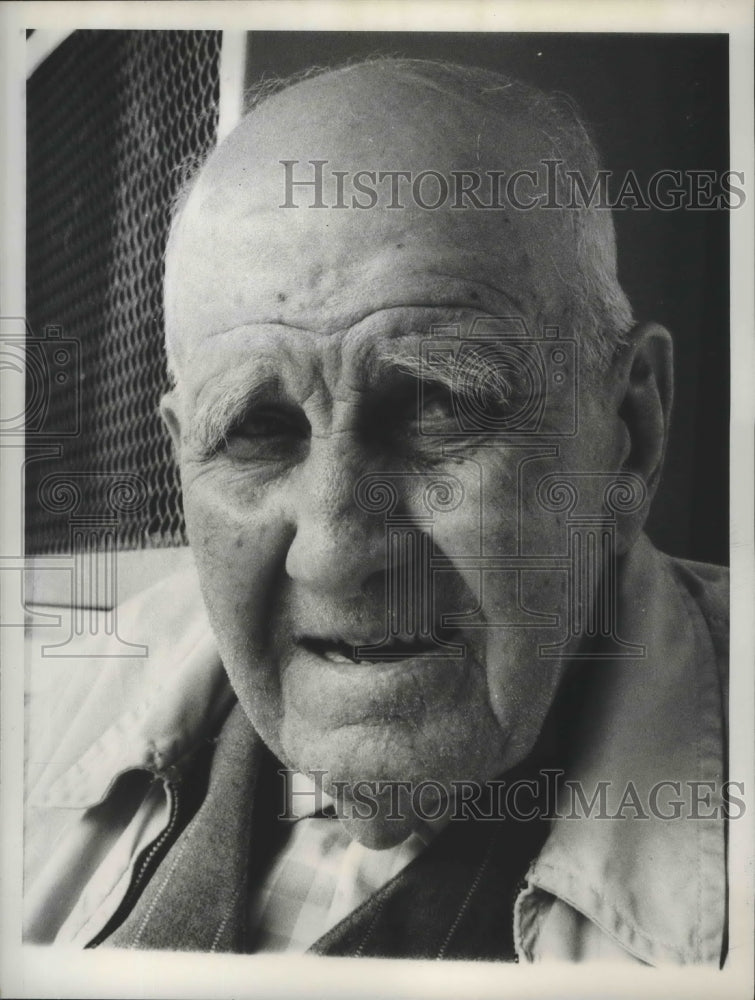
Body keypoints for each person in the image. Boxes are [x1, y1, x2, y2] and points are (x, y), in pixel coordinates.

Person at [23, 58, 729, 964]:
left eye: (436, 407)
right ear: (180, 455)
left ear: (627, 433)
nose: (331, 553)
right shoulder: (42, 709)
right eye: (256, 429)